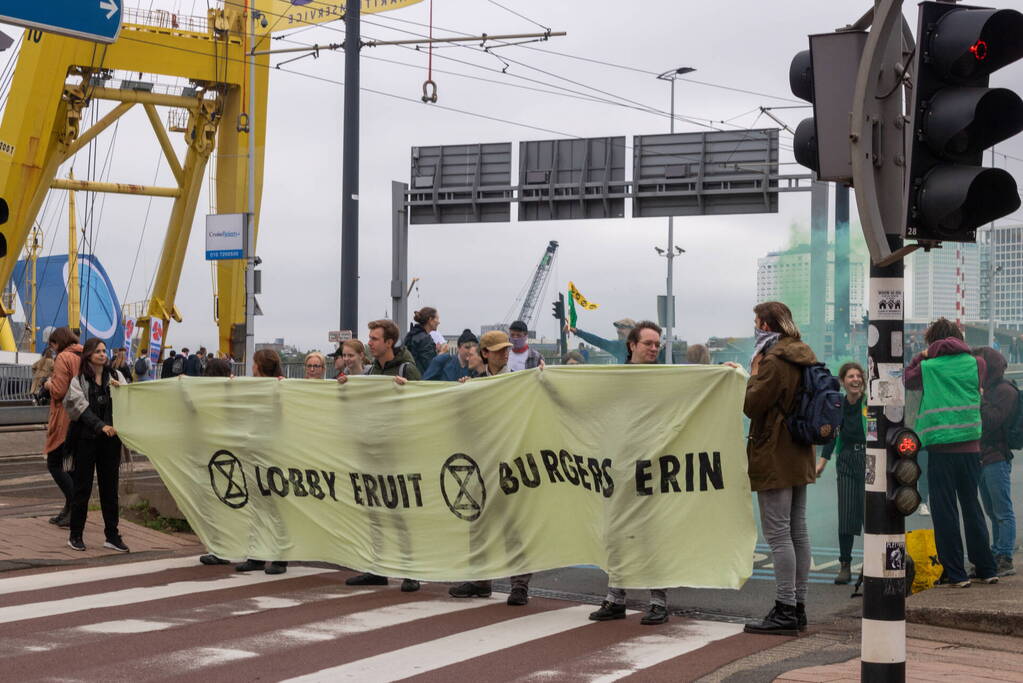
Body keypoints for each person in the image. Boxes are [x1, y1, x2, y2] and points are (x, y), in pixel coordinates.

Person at [739, 302, 818, 635]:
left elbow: (752, 405)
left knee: (778, 534)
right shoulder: (803, 354)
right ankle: (798, 606)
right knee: (797, 531)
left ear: (767, 325)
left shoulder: (773, 360)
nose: (755, 327)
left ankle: (785, 608)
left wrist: (753, 373)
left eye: (757, 321)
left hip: (775, 451)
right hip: (800, 449)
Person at [905, 317, 997, 587]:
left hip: (940, 447)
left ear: (932, 342)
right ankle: (986, 568)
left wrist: (922, 356)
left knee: (945, 510)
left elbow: (906, 379)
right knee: (972, 506)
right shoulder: (977, 363)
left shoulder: (928, 367)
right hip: (971, 445)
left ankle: (956, 573)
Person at [589, 321, 671, 625]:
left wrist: (725, 373)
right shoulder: (615, 379)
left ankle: (658, 601)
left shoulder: (667, 378)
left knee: (652, 533)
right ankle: (616, 598)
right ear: (632, 345)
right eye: (648, 343)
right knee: (616, 532)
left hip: (652, 466)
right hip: (618, 465)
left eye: (657, 344)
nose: (654, 349)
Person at [449, 329, 533, 606]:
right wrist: (463, 395)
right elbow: (464, 420)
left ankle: (519, 585)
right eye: (499, 350)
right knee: (478, 522)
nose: (505, 353)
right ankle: (480, 579)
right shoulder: (475, 384)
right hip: (482, 461)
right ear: (485, 353)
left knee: (514, 525)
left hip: (511, 462)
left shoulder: (519, 380)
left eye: (506, 349)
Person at [342, 320, 421, 592]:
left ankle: (410, 570)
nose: (370, 342)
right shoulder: (373, 370)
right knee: (373, 507)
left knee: (399, 510)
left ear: (389, 342)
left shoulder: (406, 369)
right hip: (374, 446)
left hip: (398, 448)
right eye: (370, 338)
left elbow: (423, 403)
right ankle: (377, 567)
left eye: (375, 338)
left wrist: (407, 390)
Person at [64, 338, 129, 552]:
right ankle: (75, 535)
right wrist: (101, 426)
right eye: (98, 351)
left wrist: (122, 392)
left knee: (110, 490)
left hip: (111, 441)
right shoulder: (79, 380)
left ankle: (112, 535)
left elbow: (129, 399)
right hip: (86, 440)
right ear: (88, 355)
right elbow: (80, 408)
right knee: (82, 488)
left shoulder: (116, 376)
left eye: (104, 351)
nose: (102, 354)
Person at [235, 349, 290, 575]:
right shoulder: (254, 386)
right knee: (258, 504)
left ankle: (280, 556)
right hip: (256, 450)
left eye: (254, 362)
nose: (252, 367)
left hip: (273, 451)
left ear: (259, 365)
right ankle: (257, 553)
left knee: (275, 505)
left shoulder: (280, 386)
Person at [816, 362, 867, 585]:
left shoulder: (871, 403)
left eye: (858, 376)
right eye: (851, 376)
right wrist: (822, 463)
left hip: (869, 459)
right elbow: (832, 435)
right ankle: (845, 564)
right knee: (846, 514)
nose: (855, 380)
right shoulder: (838, 405)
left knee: (869, 513)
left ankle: (872, 562)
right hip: (845, 460)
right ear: (843, 382)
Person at [972, 346, 1016, 577]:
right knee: (991, 510)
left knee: (1002, 511)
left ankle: (1005, 556)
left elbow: (990, 421)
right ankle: (997, 551)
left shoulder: (1005, 391)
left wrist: (978, 398)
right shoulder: (989, 390)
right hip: (982, 457)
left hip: (996, 457)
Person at [42, 327, 82, 528]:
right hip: (81, 416)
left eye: (53, 344)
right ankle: (68, 510)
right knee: (71, 466)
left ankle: (76, 508)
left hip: (65, 418)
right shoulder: (83, 354)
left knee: (54, 463)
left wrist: (48, 383)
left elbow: (59, 391)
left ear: (58, 342)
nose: (53, 348)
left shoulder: (63, 357)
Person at [566, 318, 635, 363]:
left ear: (633, 330)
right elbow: (598, 341)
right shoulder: (618, 346)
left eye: (622, 327)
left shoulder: (639, 346)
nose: (618, 331)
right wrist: (577, 331)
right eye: (618, 328)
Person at [403, 307, 440, 374]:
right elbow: (430, 366)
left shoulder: (411, 334)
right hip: (420, 378)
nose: (438, 322)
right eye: (437, 319)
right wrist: (441, 354)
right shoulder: (426, 339)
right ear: (430, 320)